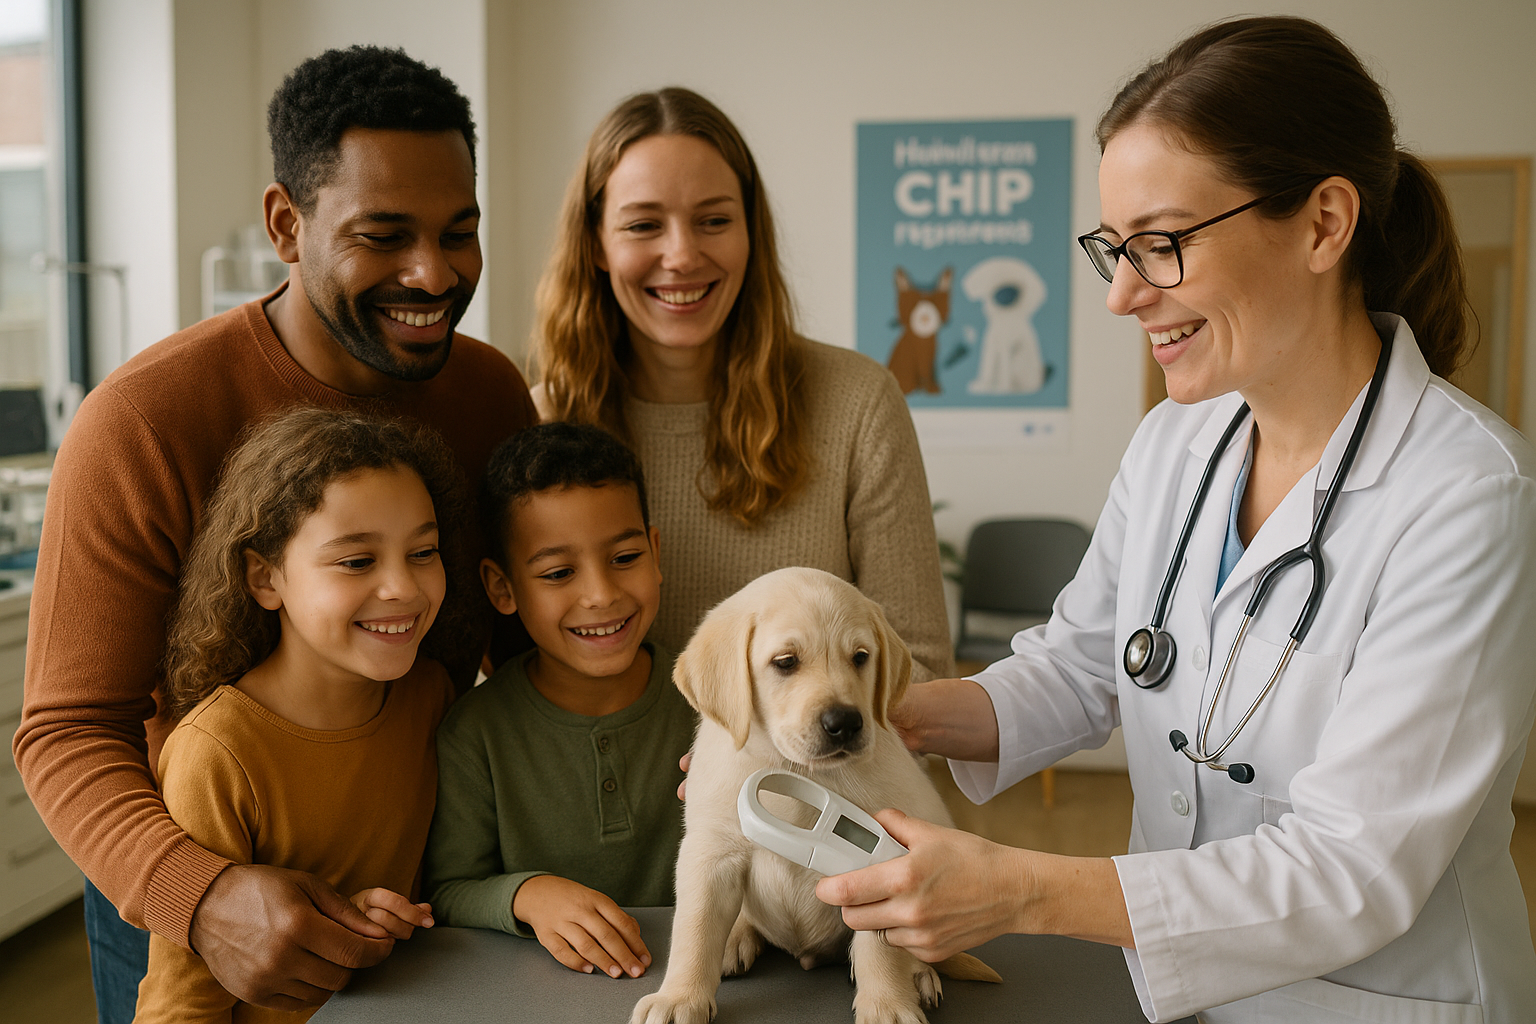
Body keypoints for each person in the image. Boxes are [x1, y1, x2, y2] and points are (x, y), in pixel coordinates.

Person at [815, 16, 1536, 1024]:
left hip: (1378, 1002)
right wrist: (891, 714)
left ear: (1326, 223)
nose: (1119, 296)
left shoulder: (1467, 492)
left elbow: (1354, 867)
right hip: (1178, 990)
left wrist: (1021, 887)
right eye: (1114, 248)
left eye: (1160, 244)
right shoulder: (1174, 447)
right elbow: (1085, 663)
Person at [13, 46, 537, 1023]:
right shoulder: (142, 422)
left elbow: (517, 662)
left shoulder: (491, 394)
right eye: (384, 235)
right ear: (286, 226)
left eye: (458, 233)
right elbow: (67, 731)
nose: (433, 271)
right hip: (184, 884)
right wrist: (203, 896)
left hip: (411, 876)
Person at [530, 87, 953, 682]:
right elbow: (516, 677)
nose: (681, 255)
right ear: (596, 242)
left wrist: (744, 773)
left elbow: (920, 670)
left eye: (714, 221)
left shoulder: (858, 403)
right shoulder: (540, 424)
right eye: (644, 224)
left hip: (814, 778)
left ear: (751, 234)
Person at [135, 408, 460, 1023]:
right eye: (357, 561)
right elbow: (182, 1005)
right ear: (265, 578)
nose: (403, 587)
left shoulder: (432, 696)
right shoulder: (217, 751)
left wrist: (358, 921)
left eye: (423, 551)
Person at [423, 422, 695, 981]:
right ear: (502, 588)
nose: (601, 594)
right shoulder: (475, 732)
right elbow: (447, 892)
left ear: (655, 550)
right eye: (558, 572)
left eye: (624, 557)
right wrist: (528, 895)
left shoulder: (712, 703)